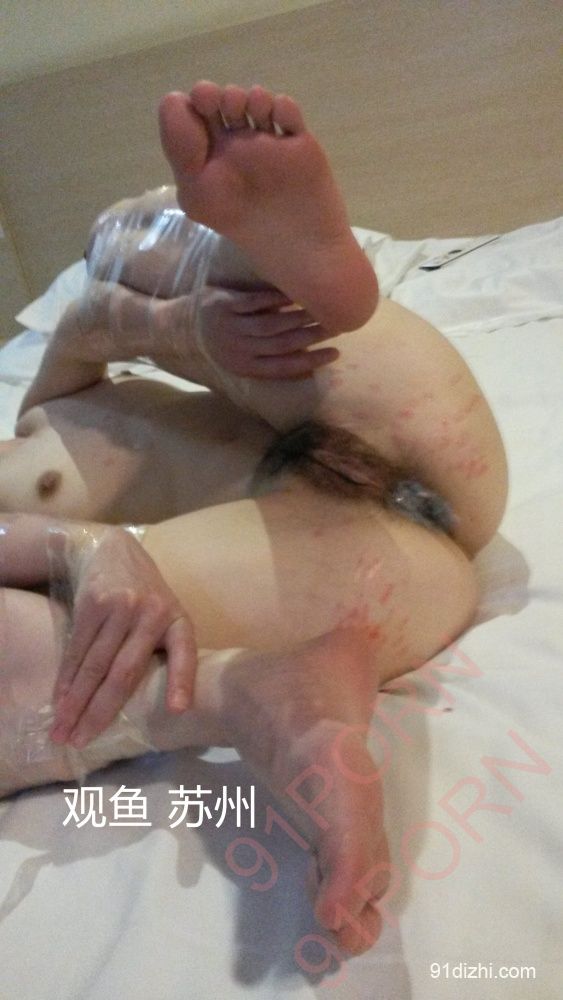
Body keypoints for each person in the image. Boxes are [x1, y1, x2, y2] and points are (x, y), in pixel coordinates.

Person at [0, 82, 507, 955]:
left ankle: (253, 260)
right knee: (102, 637)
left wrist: (183, 331)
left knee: (113, 246)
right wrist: (88, 547)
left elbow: (80, 337)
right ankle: (274, 702)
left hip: (360, 420)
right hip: (356, 564)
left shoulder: (38, 416)